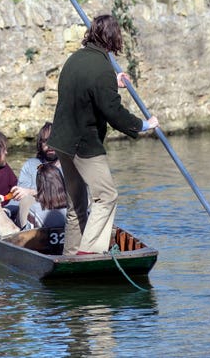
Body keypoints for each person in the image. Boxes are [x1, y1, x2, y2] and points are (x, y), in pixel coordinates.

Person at [48, 14, 159, 255]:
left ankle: (71, 257)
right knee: (107, 196)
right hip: (83, 145)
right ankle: (87, 254)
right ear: (113, 38)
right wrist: (144, 124)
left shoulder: (75, 59)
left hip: (62, 141)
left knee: (76, 205)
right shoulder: (101, 69)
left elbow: (88, 88)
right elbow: (114, 113)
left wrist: (113, 80)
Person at [8, 122, 60, 227]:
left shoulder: (72, 166)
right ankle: (26, 235)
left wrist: (32, 192)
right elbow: (19, 197)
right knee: (26, 200)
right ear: (40, 144)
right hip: (32, 222)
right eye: (45, 141)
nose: (49, 146)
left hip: (63, 217)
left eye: (53, 140)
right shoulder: (31, 165)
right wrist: (5, 211)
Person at [23, 162, 67, 230]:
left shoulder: (34, 209)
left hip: (42, 239)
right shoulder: (73, 209)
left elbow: (28, 236)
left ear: (40, 185)